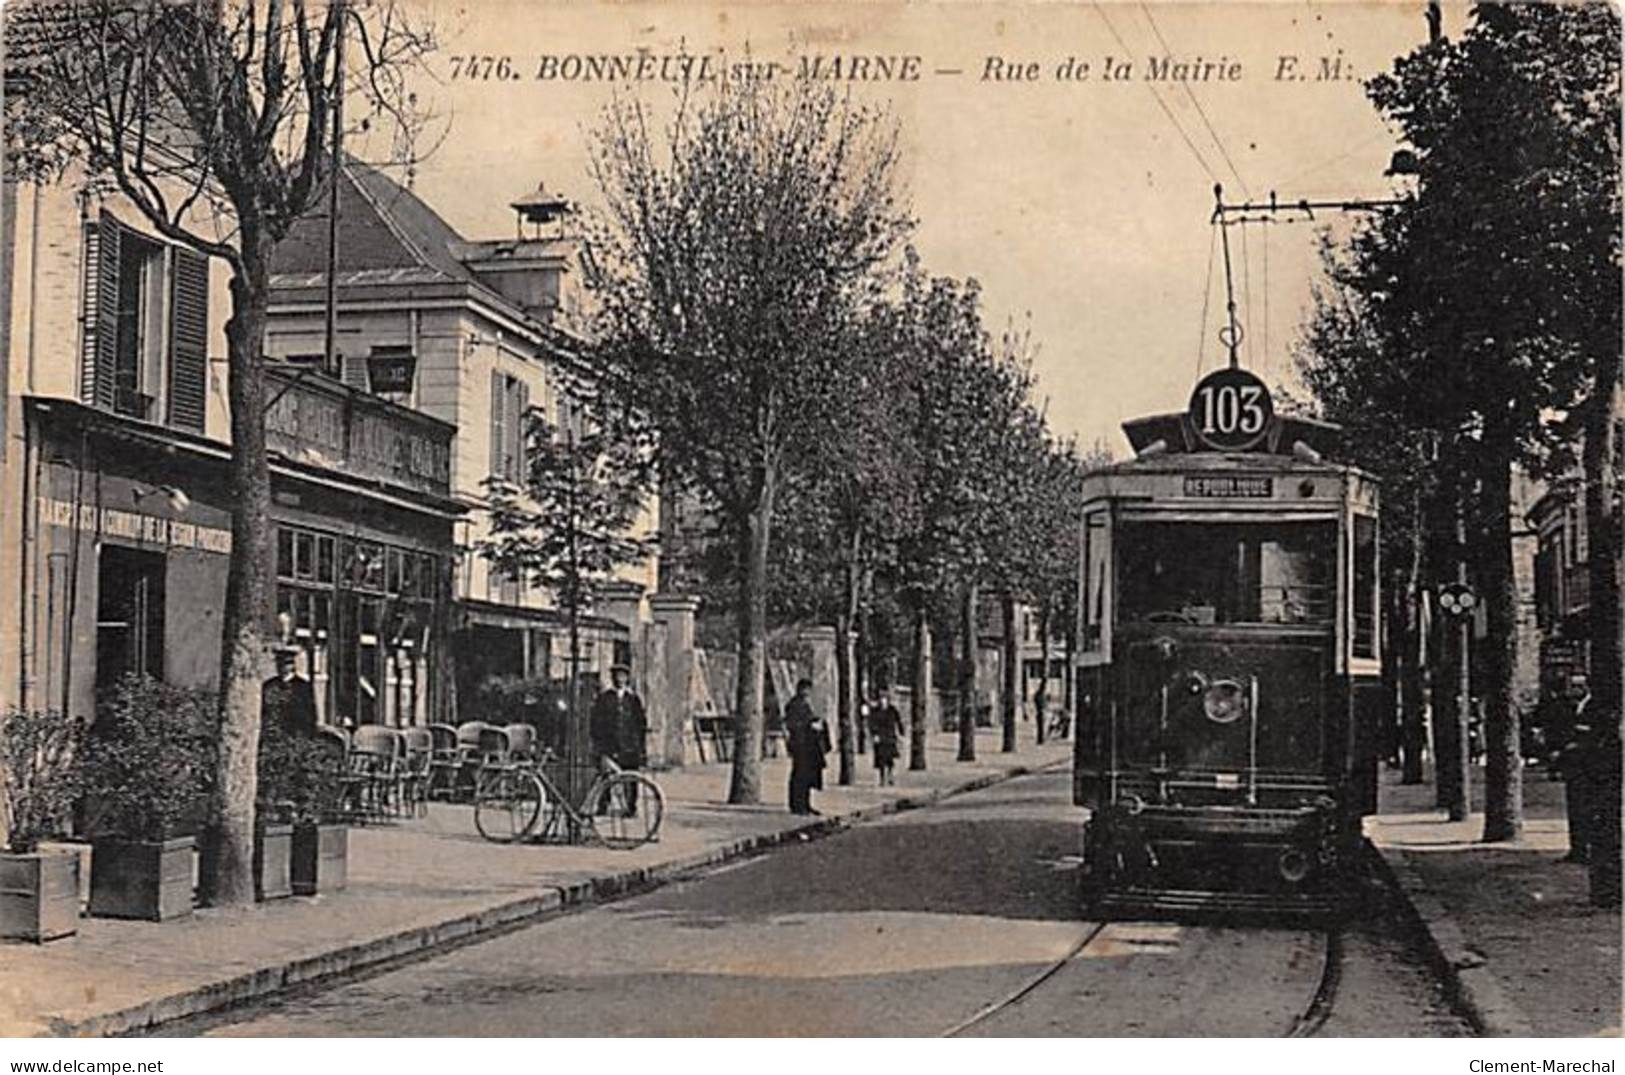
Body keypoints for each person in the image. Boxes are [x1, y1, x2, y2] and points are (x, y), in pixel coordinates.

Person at [590, 665, 648, 811]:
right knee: (606, 777)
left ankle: (630, 806)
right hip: (610, 745)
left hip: (629, 746)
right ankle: (603, 805)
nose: (619, 679)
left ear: (627, 678)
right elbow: (596, 721)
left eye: (622, 676)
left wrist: (640, 746)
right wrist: (599, 743)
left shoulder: (633, 699)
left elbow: (640, 723)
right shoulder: (604, 698)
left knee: (631, 778)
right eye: (616, 676)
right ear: (612, 678)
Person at [1554, 679, 1594, 864]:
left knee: (1585, 806)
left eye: (1579, 686)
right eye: (1573, 686)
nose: (1575, 690)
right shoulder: (1572, 705)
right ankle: (1578, 848)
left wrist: (1577, 735)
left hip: (1588, 762)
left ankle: (1585, 849)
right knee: (1576, 806)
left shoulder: (1595, 704)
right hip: (1576, 763)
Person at [784, 678, 830, 815]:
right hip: (800, 745)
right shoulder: (794, 705)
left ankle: (805, 803)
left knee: (806, 775)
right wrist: (811, 725)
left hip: (808, 746)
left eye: (808, 690)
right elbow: (793, 724)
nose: (807, 692)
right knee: (799, 775)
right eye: (805, 689)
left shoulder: (805, 704)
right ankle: (797, 805)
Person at [262, 645, 318, 740]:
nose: (280, 667)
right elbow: (265, 714)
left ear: (293, 665)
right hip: (273, 739)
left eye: (285, 663)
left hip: (295, 738)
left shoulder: (302, 686)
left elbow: (310, 716)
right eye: (278, 663)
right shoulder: (269, 686)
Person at [868, 690, 905, 787]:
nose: (883, 701)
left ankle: (890, 776)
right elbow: (872, 724)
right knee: (881, 759)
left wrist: (901, 733)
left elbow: (899, 721)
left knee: (890, 759)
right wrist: (874, 734)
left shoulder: (892, 710)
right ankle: (882, 778)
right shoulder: (875, 711)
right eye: (881, 699)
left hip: (890, 737)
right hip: (880, 738)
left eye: (884, 699)